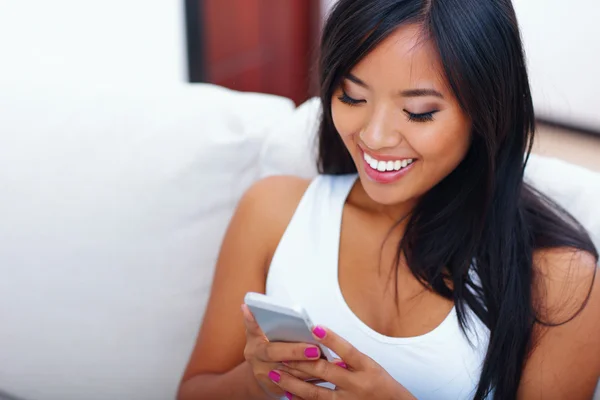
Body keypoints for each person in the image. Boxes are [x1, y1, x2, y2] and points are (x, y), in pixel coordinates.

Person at [178, 0, 600, 399]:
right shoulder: (272, 211)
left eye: (418, 112)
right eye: (352, 97)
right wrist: (262, 382)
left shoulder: (560, 281)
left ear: (487, 110)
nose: (374, 137)